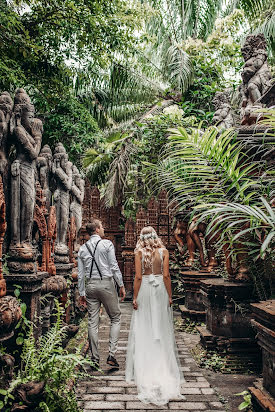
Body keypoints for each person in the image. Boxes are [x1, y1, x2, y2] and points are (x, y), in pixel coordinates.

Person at [126, 226, 185, 405]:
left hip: (145, 288)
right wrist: (170, 295)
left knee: (144, 325)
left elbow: (137, 277)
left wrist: (135, 297)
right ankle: (164, 368)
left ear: (142, 238)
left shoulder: (138, 253)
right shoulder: (164, 251)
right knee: (161, 326)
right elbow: (166, 275)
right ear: (155, 236)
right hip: (160, 289)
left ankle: (146, 368)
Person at [78, 219, 126, 369]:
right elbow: (113, 265)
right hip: (106, 284)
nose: (104, 228)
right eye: (102, 226)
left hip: (91, 285)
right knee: (116, 317)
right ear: (97, 229)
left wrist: (81, 293)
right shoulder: (107, 244)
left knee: (93, 322)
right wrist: (121, 284)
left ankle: (94, 358)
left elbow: (81, 275)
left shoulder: (82, 249)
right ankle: (111, 354)